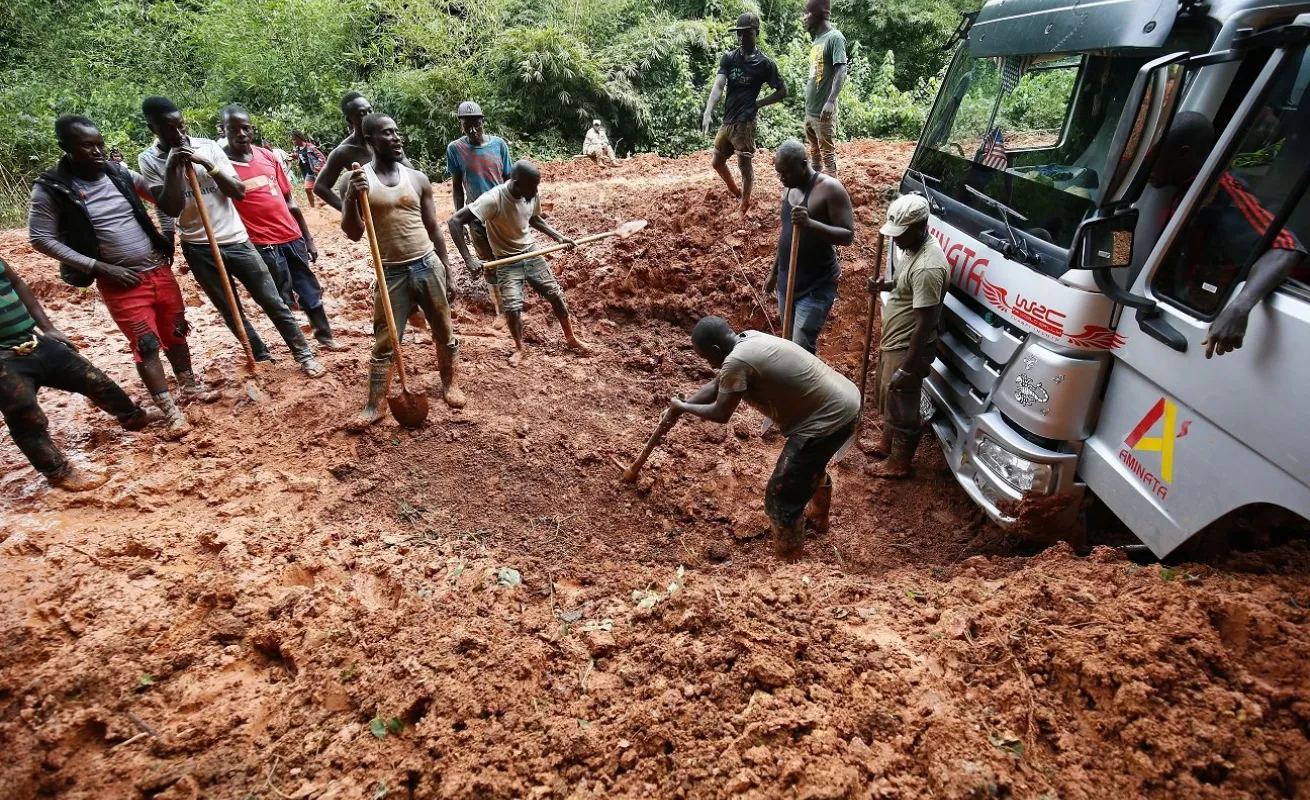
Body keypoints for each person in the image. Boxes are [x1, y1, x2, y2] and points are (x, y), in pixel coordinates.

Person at [30, 115, 221, 438]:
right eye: (86, 146)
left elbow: (162, 200)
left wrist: (167, 233)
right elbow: (40, 238)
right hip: (119, 282)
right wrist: (97, 267)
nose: (96, 152)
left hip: (157, 270)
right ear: (65, 147)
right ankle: (170, 411)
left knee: (175, 331)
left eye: (99, 144)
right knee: (146, 344)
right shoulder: (52, 187)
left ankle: (189, 388)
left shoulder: (119, 173)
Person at [137, 96, 326, 378]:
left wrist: (205, 163)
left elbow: (237, 191)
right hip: (199, 248)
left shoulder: (208, 146)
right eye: (168, 129)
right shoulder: (148, 159)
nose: (178, 134)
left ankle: (304, 354)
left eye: (181, 126)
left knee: (272, 300)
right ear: (153, 129)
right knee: (230, 309)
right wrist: (173, 167)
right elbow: (171, 206)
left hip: (236, 239)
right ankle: (261, 357)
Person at [671, 316, 859, 559]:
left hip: (827, 420)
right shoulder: (748, 339)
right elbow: (716, 386)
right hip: (845, 401)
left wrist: (684, 408)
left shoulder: (735, 363)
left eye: (707, 359)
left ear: (716, 350)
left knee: (781, 496)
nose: (711, 365)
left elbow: (720, 412)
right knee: (807, 467)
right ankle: (818, 519)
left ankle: (789, 565)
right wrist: (683, 404)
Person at [341, 114, 466, 429]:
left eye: (397, 132)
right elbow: (353, 232)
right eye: (387, 133)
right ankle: (375, 404)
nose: (396, 138)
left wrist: (448, 271)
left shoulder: (418, 178)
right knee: (386, 339)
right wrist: (350, 197)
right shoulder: (358, 180)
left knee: (444, 329)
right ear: (369, 140)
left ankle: (450, 385)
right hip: (390, 273)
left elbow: (434, 229)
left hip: (427, 264)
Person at [1150, 111, 1307, 358]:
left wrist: (1239, 308)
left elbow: (1287, 247)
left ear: (1183, 153)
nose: (1146, 165)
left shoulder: (1224, 193)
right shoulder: (1187, 189)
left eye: (1153, 156)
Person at [0, 255, 162, 490]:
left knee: (95, 380)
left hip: (34, 340)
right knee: (26, 417)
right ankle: (58, 472)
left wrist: (48, 328)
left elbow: (17, 283)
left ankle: (133, 417)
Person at [221, 106, 345, 352]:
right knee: (280, 298)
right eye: (233, 129)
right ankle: (299, 347)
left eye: (246, 128)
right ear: (224, 131)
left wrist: (307, 238)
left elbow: (290, 201)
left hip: (291, 236)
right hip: (262, 244)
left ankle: (325, 336)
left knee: (309, 288)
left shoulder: (266, 157)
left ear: (252, 130)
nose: (241, 134)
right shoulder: (222, 166)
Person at [447, 161, 591, 365]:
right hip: (506, 261)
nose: (536, 190)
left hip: (531, 253)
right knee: (512, 308)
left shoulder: (530, 192)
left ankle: (571, 339)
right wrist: (469, 258)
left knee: (555, 294)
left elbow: (534, 219)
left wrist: (558, 237)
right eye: (532, 186)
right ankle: (520, 348)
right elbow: (455, 221)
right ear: (516, 183)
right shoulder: (493, 199)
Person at [864, 194, 947, 478]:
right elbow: (903, 284)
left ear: (922, 226)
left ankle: (899, 463)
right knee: (891, 393)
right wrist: (883, 285)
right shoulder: (911, 246)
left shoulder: (928, 267)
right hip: (895, 341)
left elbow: (923, 325)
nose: (896, 240)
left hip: (908, 347)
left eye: (901, 234)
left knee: (902, 400)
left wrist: (907, 367)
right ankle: (886, 445)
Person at [764, 139, 854, 354]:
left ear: (803, 165)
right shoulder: (789, 188)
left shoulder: (829, 189)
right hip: (788, 282)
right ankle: (789, 386)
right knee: (787, 344)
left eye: (786, 172)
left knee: (801, 349)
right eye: (779, 172)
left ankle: (804, 387)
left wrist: (810, 223)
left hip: (815, 287)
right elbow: (785, 234)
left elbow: (848, 236)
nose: (781, 178)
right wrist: (774, 272)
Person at [701, 12, 787, 215]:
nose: (741, 38)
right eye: (739, 34)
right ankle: (735, 191)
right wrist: (707, 111)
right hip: (728, 120)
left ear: (756, 33)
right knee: (717, 162)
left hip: (745, 123)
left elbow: (782, 91)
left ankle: (743, 208)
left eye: (746, 34)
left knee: (744, 166)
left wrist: (758, 103)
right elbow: (719, 86)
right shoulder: (729, 58)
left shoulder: (764, 64)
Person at [446, 100, 513, 322]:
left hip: (501, 213)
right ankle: (500, 311)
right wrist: (460, 217)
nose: (473, 130)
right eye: (467, 126)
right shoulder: (455, 149)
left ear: (483, 122)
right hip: (475, 214)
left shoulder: (499, 145)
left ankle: (514, 302)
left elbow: (509, 180)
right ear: (461, 126)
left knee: (508, 258)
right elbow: (457, 186)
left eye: (477, 124)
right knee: (488, 263)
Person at [317, 92, 412, 211]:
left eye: (370, 111)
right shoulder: (344, 151)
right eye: (362, 114)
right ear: (350, 120)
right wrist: (348, 210)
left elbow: (408, 169)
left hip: (404, 205)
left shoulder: (386, 140)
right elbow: (320, 186)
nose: (368, 116)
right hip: (376, 214)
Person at [802, 0, 848, 176]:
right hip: (811, 110)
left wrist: (830, 100)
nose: (805, 18)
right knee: (814, 152)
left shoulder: (835, 38)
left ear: (819, 14)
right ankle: (816, 187)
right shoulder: (817, 40)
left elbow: (841, 69)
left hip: (824, 111)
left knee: (827, 157)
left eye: (807, 13)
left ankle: (832, 197)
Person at [291, 131, 326, 209]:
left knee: (319, 189)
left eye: (294, 139)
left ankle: (324, 204)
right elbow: (303, 157)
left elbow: (322, 158)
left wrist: (317, 168)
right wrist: (295, 156)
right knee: (307, 189)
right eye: (293, 140)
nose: (293, 141)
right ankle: (313, 208)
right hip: (308, 173)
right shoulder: (298, 149)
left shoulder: (311, 147)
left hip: (316, 172)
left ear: (299, 138)